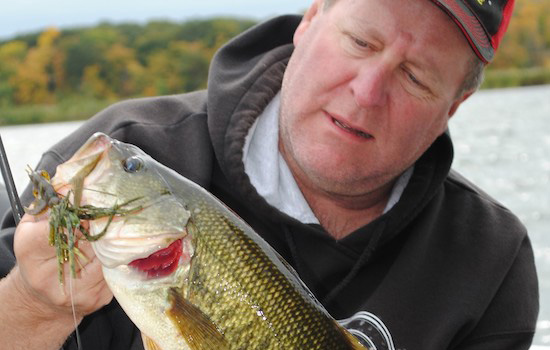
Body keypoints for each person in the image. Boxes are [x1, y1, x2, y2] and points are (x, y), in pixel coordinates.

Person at [0, 0, 539, 348]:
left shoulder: (490, 261)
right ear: (310, 19)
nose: (367, 92)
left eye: (416, 76)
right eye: (361, 42)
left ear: (456, 104)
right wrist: (34, 302)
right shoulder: (126, 153)